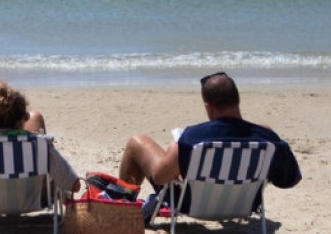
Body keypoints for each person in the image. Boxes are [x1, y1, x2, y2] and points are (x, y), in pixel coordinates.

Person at [118, 72, 302, 221]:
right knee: (176, 153)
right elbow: (289, 179)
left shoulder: (193, 137)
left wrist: (174, 154)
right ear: (237, 100)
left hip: (192, 205)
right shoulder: (265, 137)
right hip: (245, 205)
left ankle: (121, 210)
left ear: (209, 107)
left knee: (138, 141)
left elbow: (159, 177)